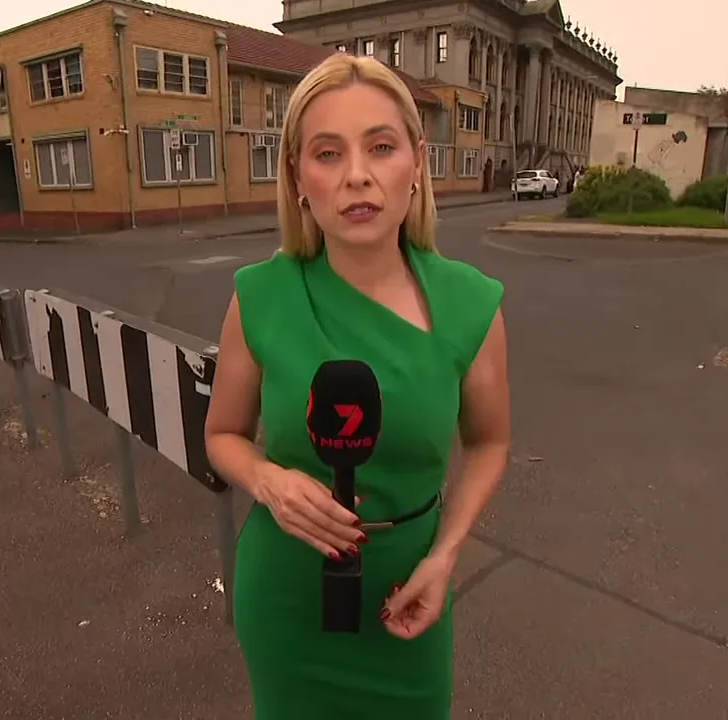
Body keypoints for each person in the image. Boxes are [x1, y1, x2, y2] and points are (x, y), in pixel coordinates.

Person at [204, 52, 511, 719]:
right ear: (298, 177)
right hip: (288, 597)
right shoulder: (259, 298)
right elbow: (222, 435)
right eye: (328, 153)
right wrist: (268, 482)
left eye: (380, 147)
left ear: (418, 162)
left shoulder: (470, 305)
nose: (358, 177)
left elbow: (489, 443)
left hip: (409, 590)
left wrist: (447, 554)